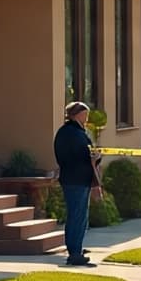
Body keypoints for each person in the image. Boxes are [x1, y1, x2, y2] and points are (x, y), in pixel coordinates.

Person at [53, 100, 103, 265]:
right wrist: (95, 158)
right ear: (76, 115)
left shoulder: (65, 132)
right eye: (85, 114)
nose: (87, 118)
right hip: (77, 180)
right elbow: (83, 155)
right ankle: (74, 252)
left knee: (77, 215)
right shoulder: (75, 134)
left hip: (72, 178)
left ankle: (76, 248)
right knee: (78, 216)